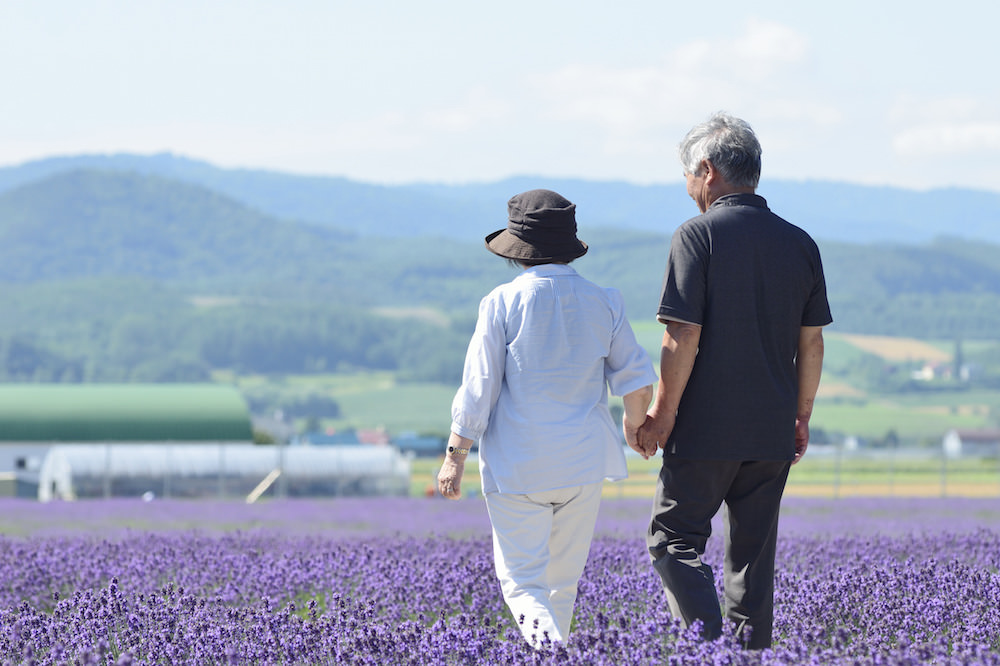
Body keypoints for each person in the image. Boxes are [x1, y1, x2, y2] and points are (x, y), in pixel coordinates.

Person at [636, 112, 832, 649]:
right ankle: (749, 656)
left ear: (706, 170)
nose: (687, 188)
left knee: (672, 541)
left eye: (686, 176)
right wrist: (801, 416)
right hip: (770, 427)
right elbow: (811, 343)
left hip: (704, 428)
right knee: (751, 559)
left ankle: (709, 649)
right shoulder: (800, 243)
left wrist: (663, 412)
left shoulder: (696, 236)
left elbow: (682, 333)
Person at [437, 189, 657, 647]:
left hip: (519, 468)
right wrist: (635, 426)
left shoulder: (500, 303)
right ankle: (556, 651)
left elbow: (479, 387)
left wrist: (454, 456)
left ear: (518, 251)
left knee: (522, 585)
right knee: (562, 586)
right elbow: (637, 381)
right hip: (582, 465)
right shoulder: (606, 301)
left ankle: (557, 655)